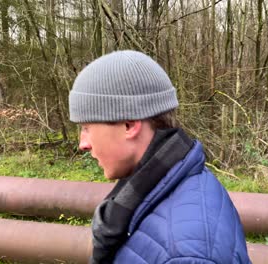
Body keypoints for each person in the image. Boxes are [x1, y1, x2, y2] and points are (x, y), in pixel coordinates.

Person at [69, 50, 251, 264]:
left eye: (87, 127)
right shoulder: (163, 186)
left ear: (129, 124)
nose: (83, 143)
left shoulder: (184, 255)